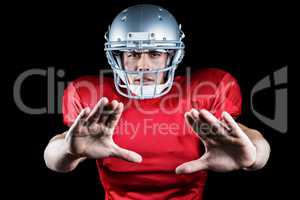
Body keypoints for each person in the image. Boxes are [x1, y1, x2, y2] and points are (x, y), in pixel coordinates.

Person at [44, 4, 270, 200]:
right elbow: (55, 153)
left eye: (154, 53)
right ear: (118, 56)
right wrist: (68, 151)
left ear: (172, 55)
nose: (143, 65)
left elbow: (246, 136)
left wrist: (254, 157)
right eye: (132, 54)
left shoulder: (207, 90)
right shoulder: (93, 96)